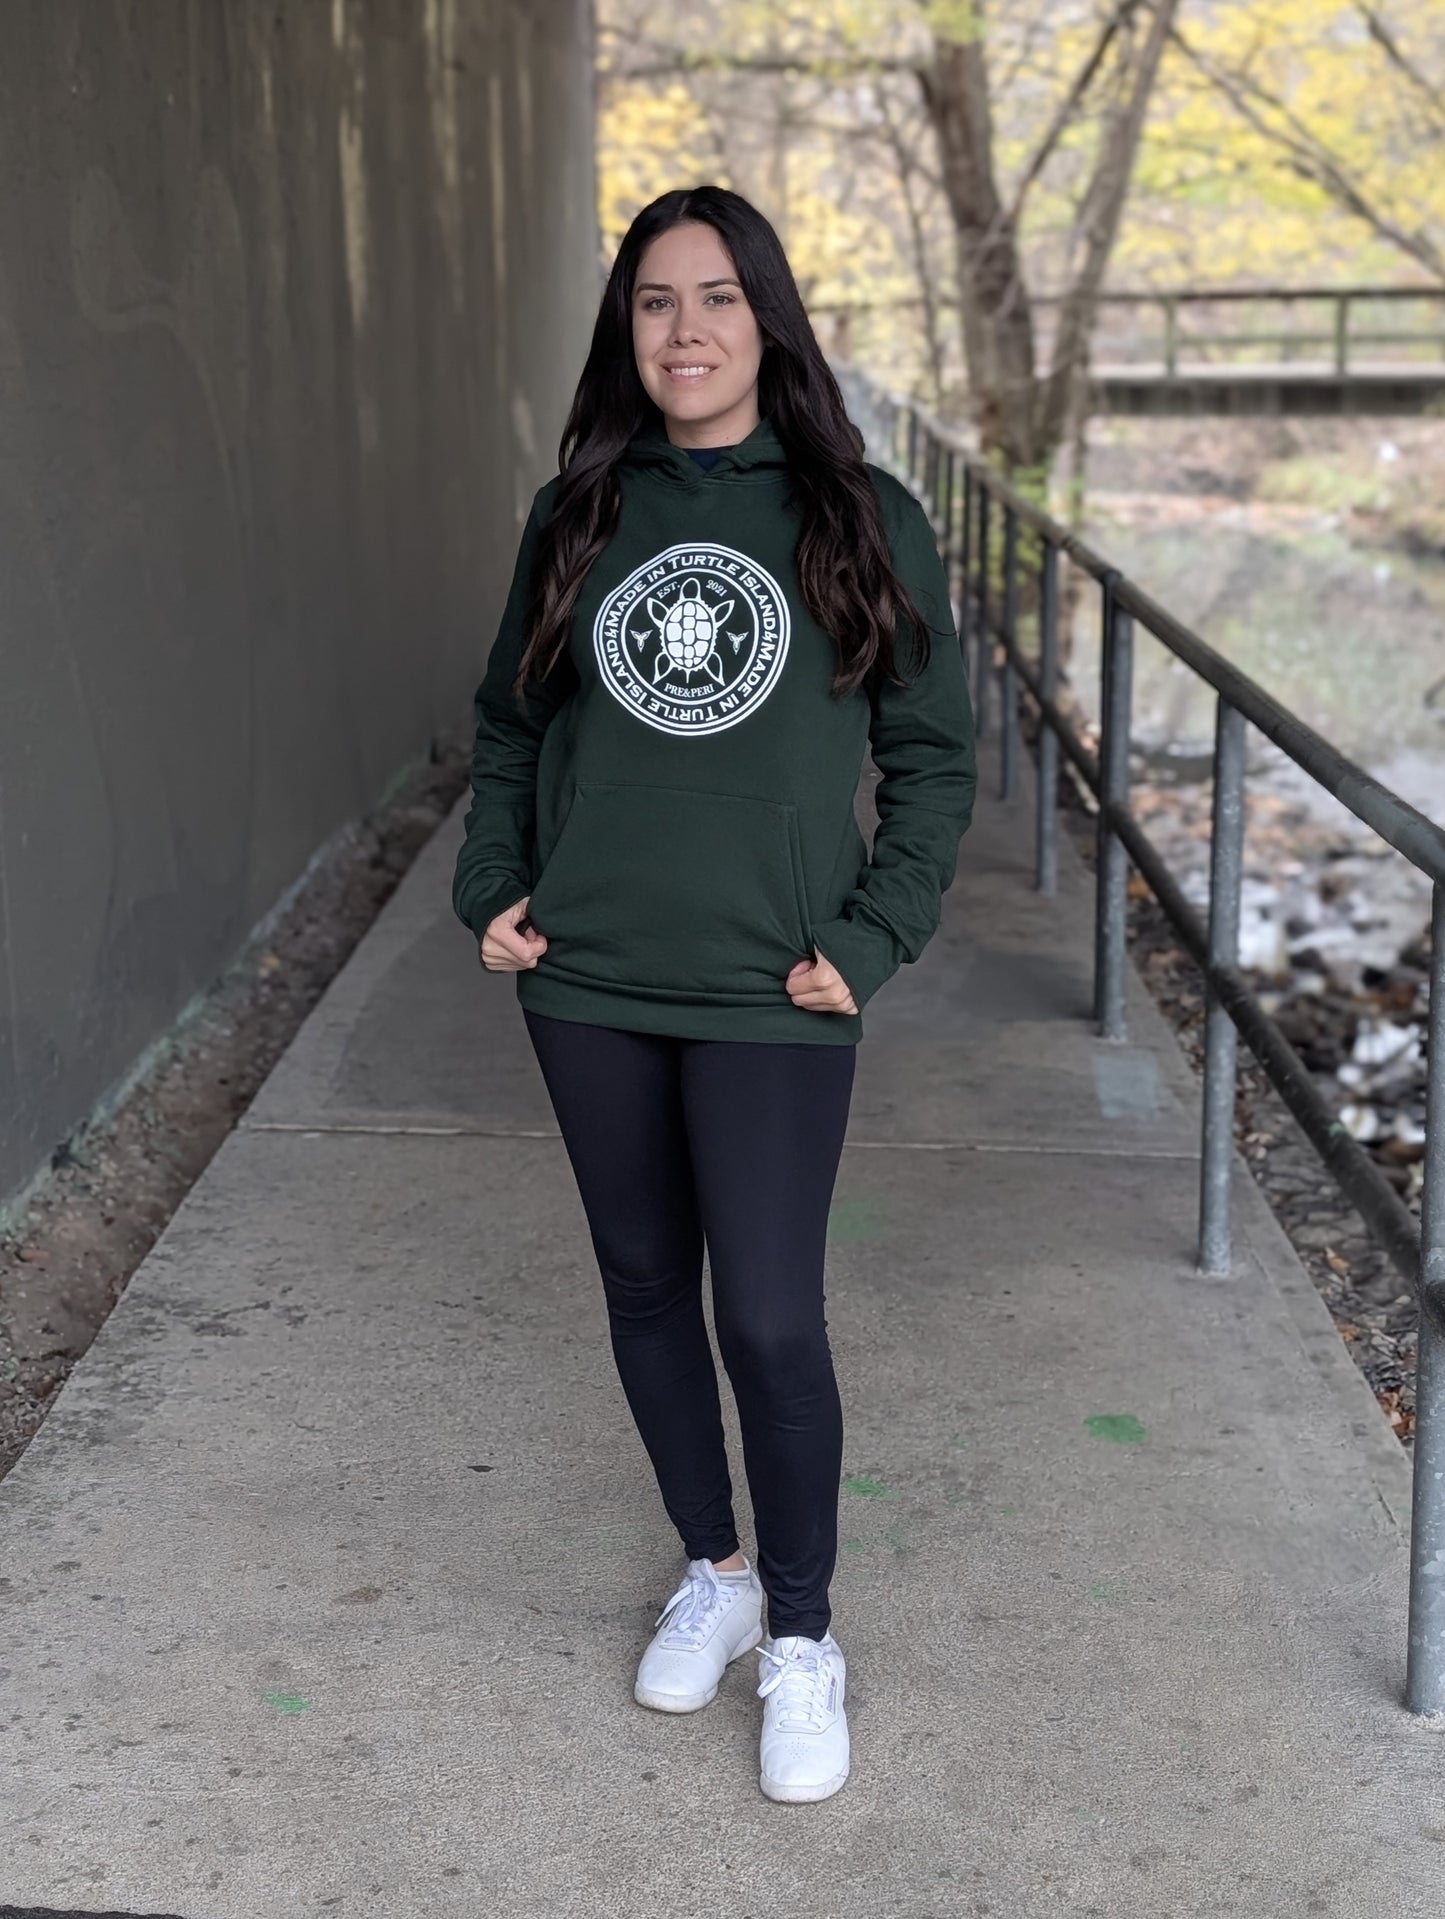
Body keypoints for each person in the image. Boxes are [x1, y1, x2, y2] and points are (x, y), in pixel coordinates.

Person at [451, 184, 976, 1804]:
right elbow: (512, 730)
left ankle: (803, 1638)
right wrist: (496, 889)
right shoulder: (578, 515)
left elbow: (931, 756)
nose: (684, 331)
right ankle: (716, 1570)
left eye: (717, 299)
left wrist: (873, 939)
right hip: (591, 979)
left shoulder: (859, 514)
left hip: (773, 989)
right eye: (656, 303)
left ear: (768, 319)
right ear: (629, 330)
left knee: (765, 1313)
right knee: (638, 1290)